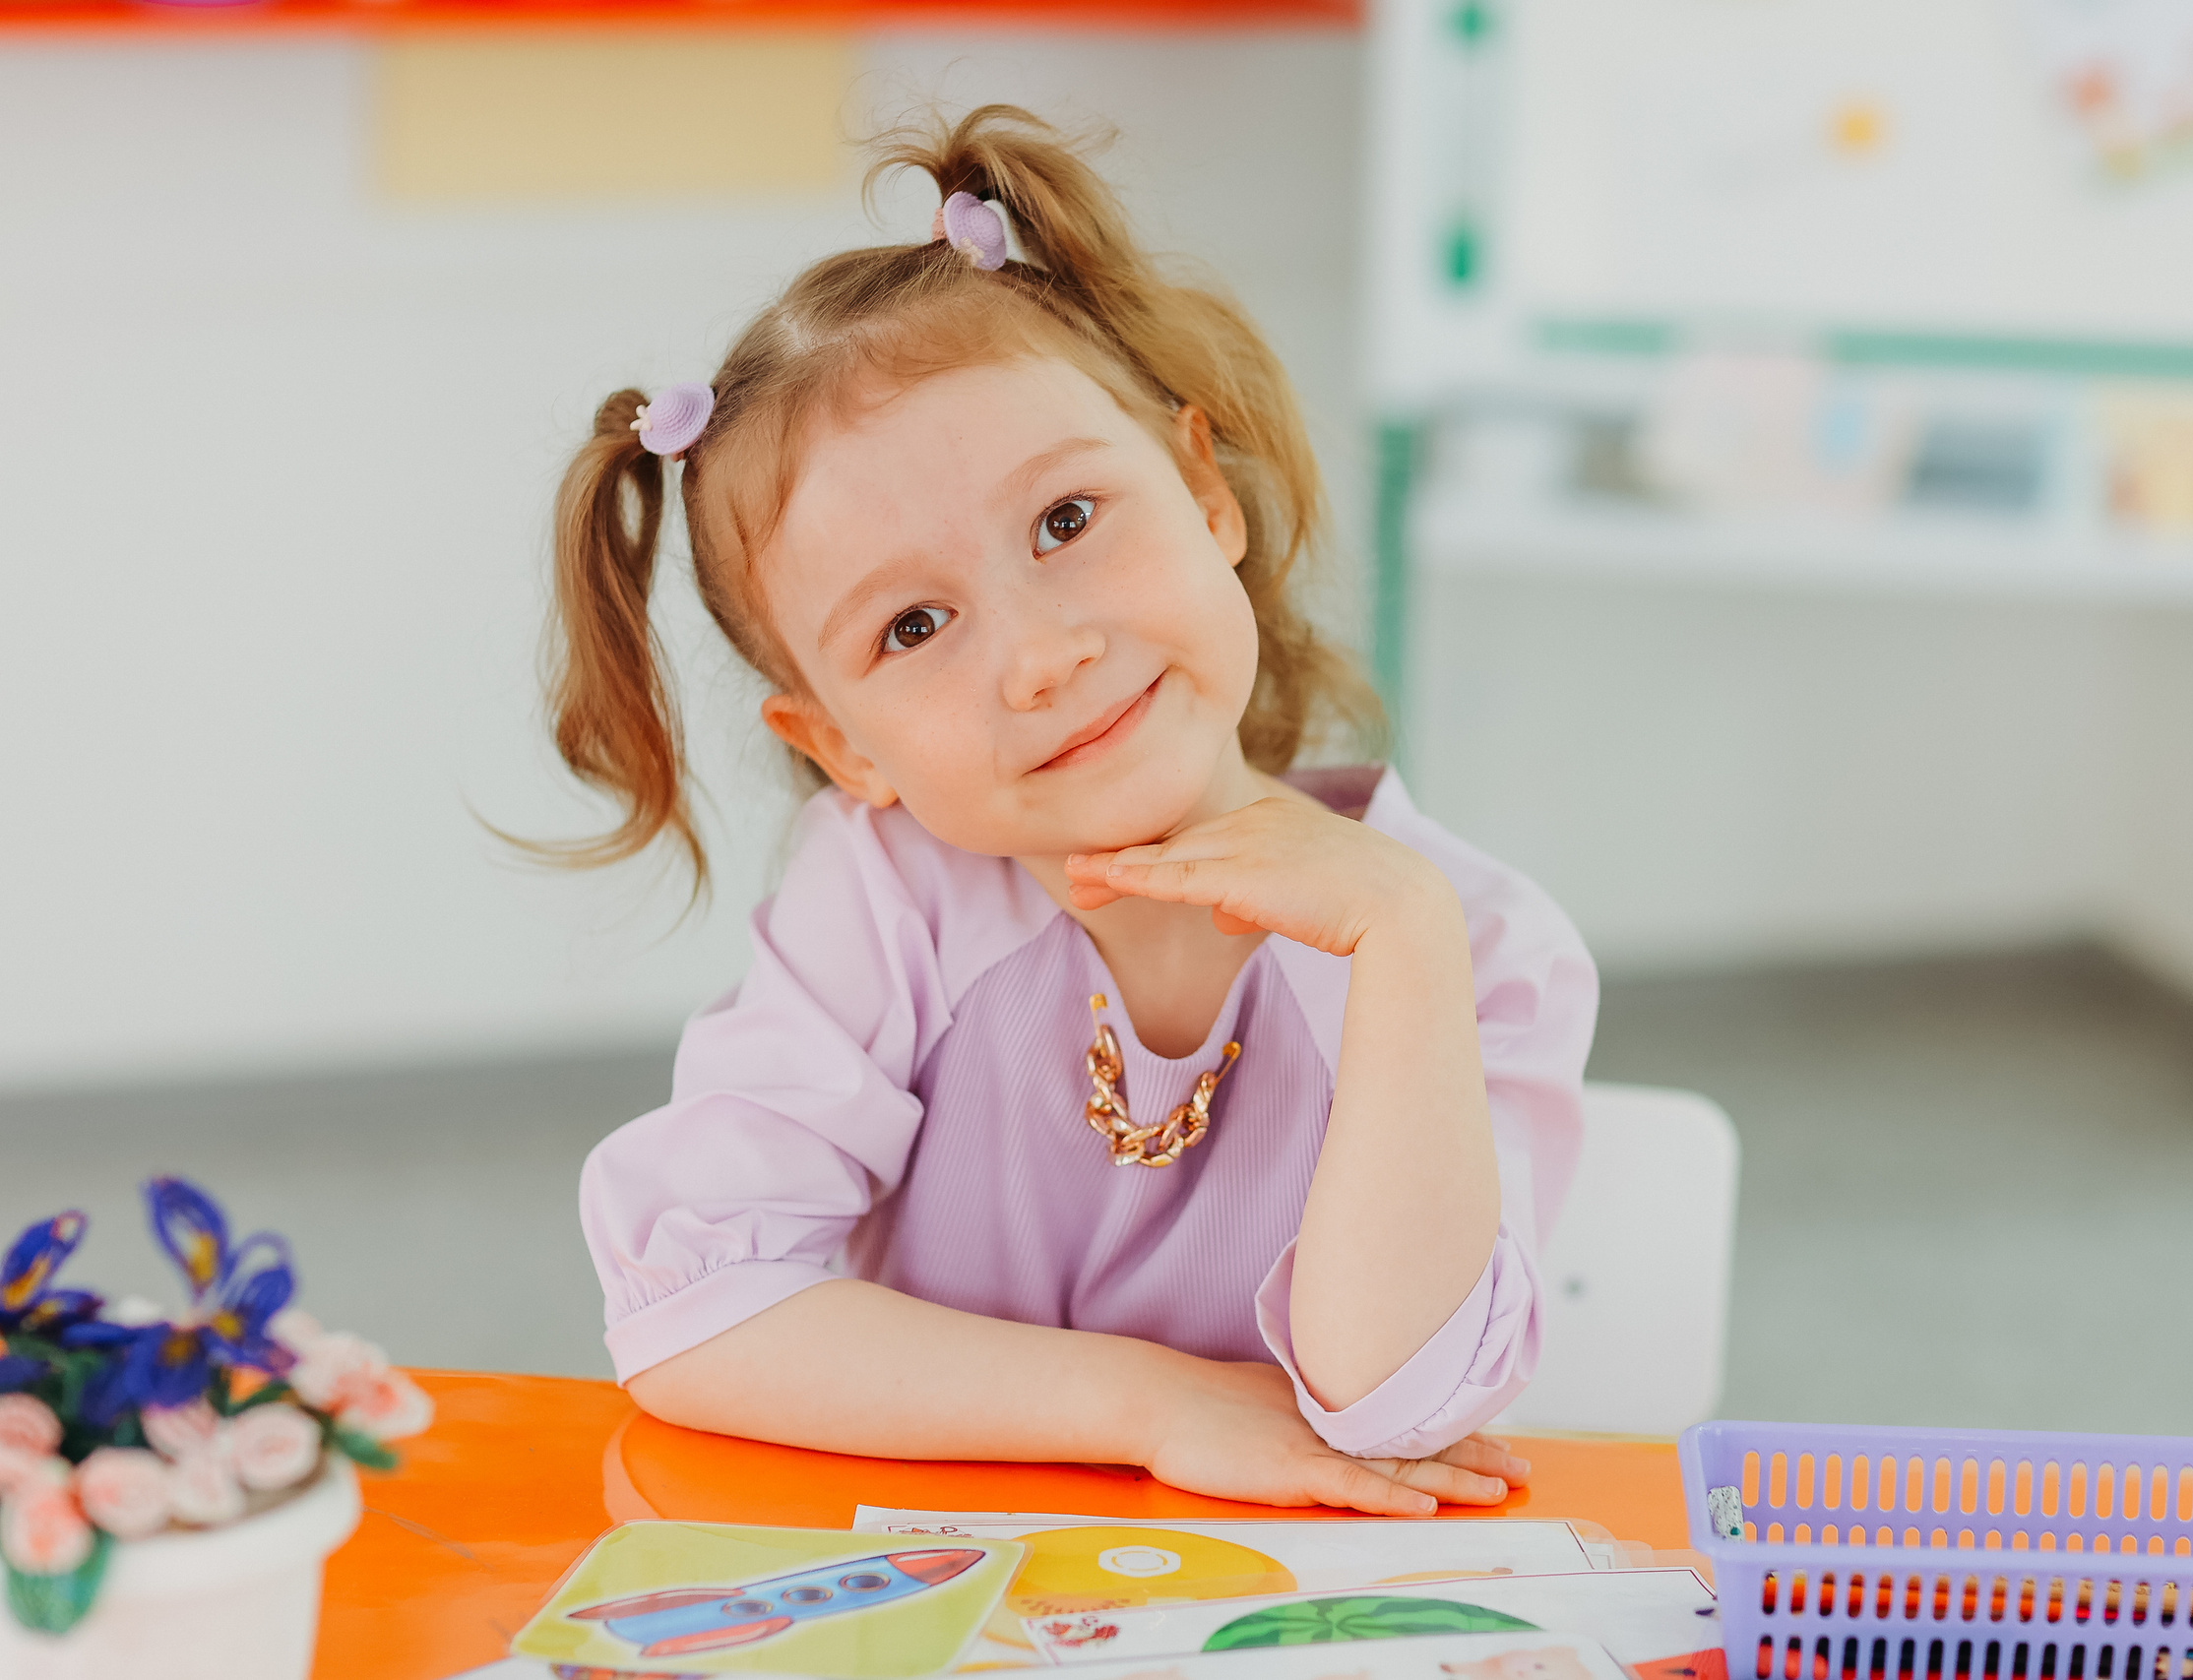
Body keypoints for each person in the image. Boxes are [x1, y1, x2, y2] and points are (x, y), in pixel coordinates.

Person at [547, 105, 1595, 1516]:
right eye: (914, 627)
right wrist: (1145, 1403)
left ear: (1204, 490)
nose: (1043, 655)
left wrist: (1400, 941)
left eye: (1066, 521)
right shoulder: (884, 899)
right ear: (840, 747)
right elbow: (699, 1317)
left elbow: (1395, 1402)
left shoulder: (1469, 937)